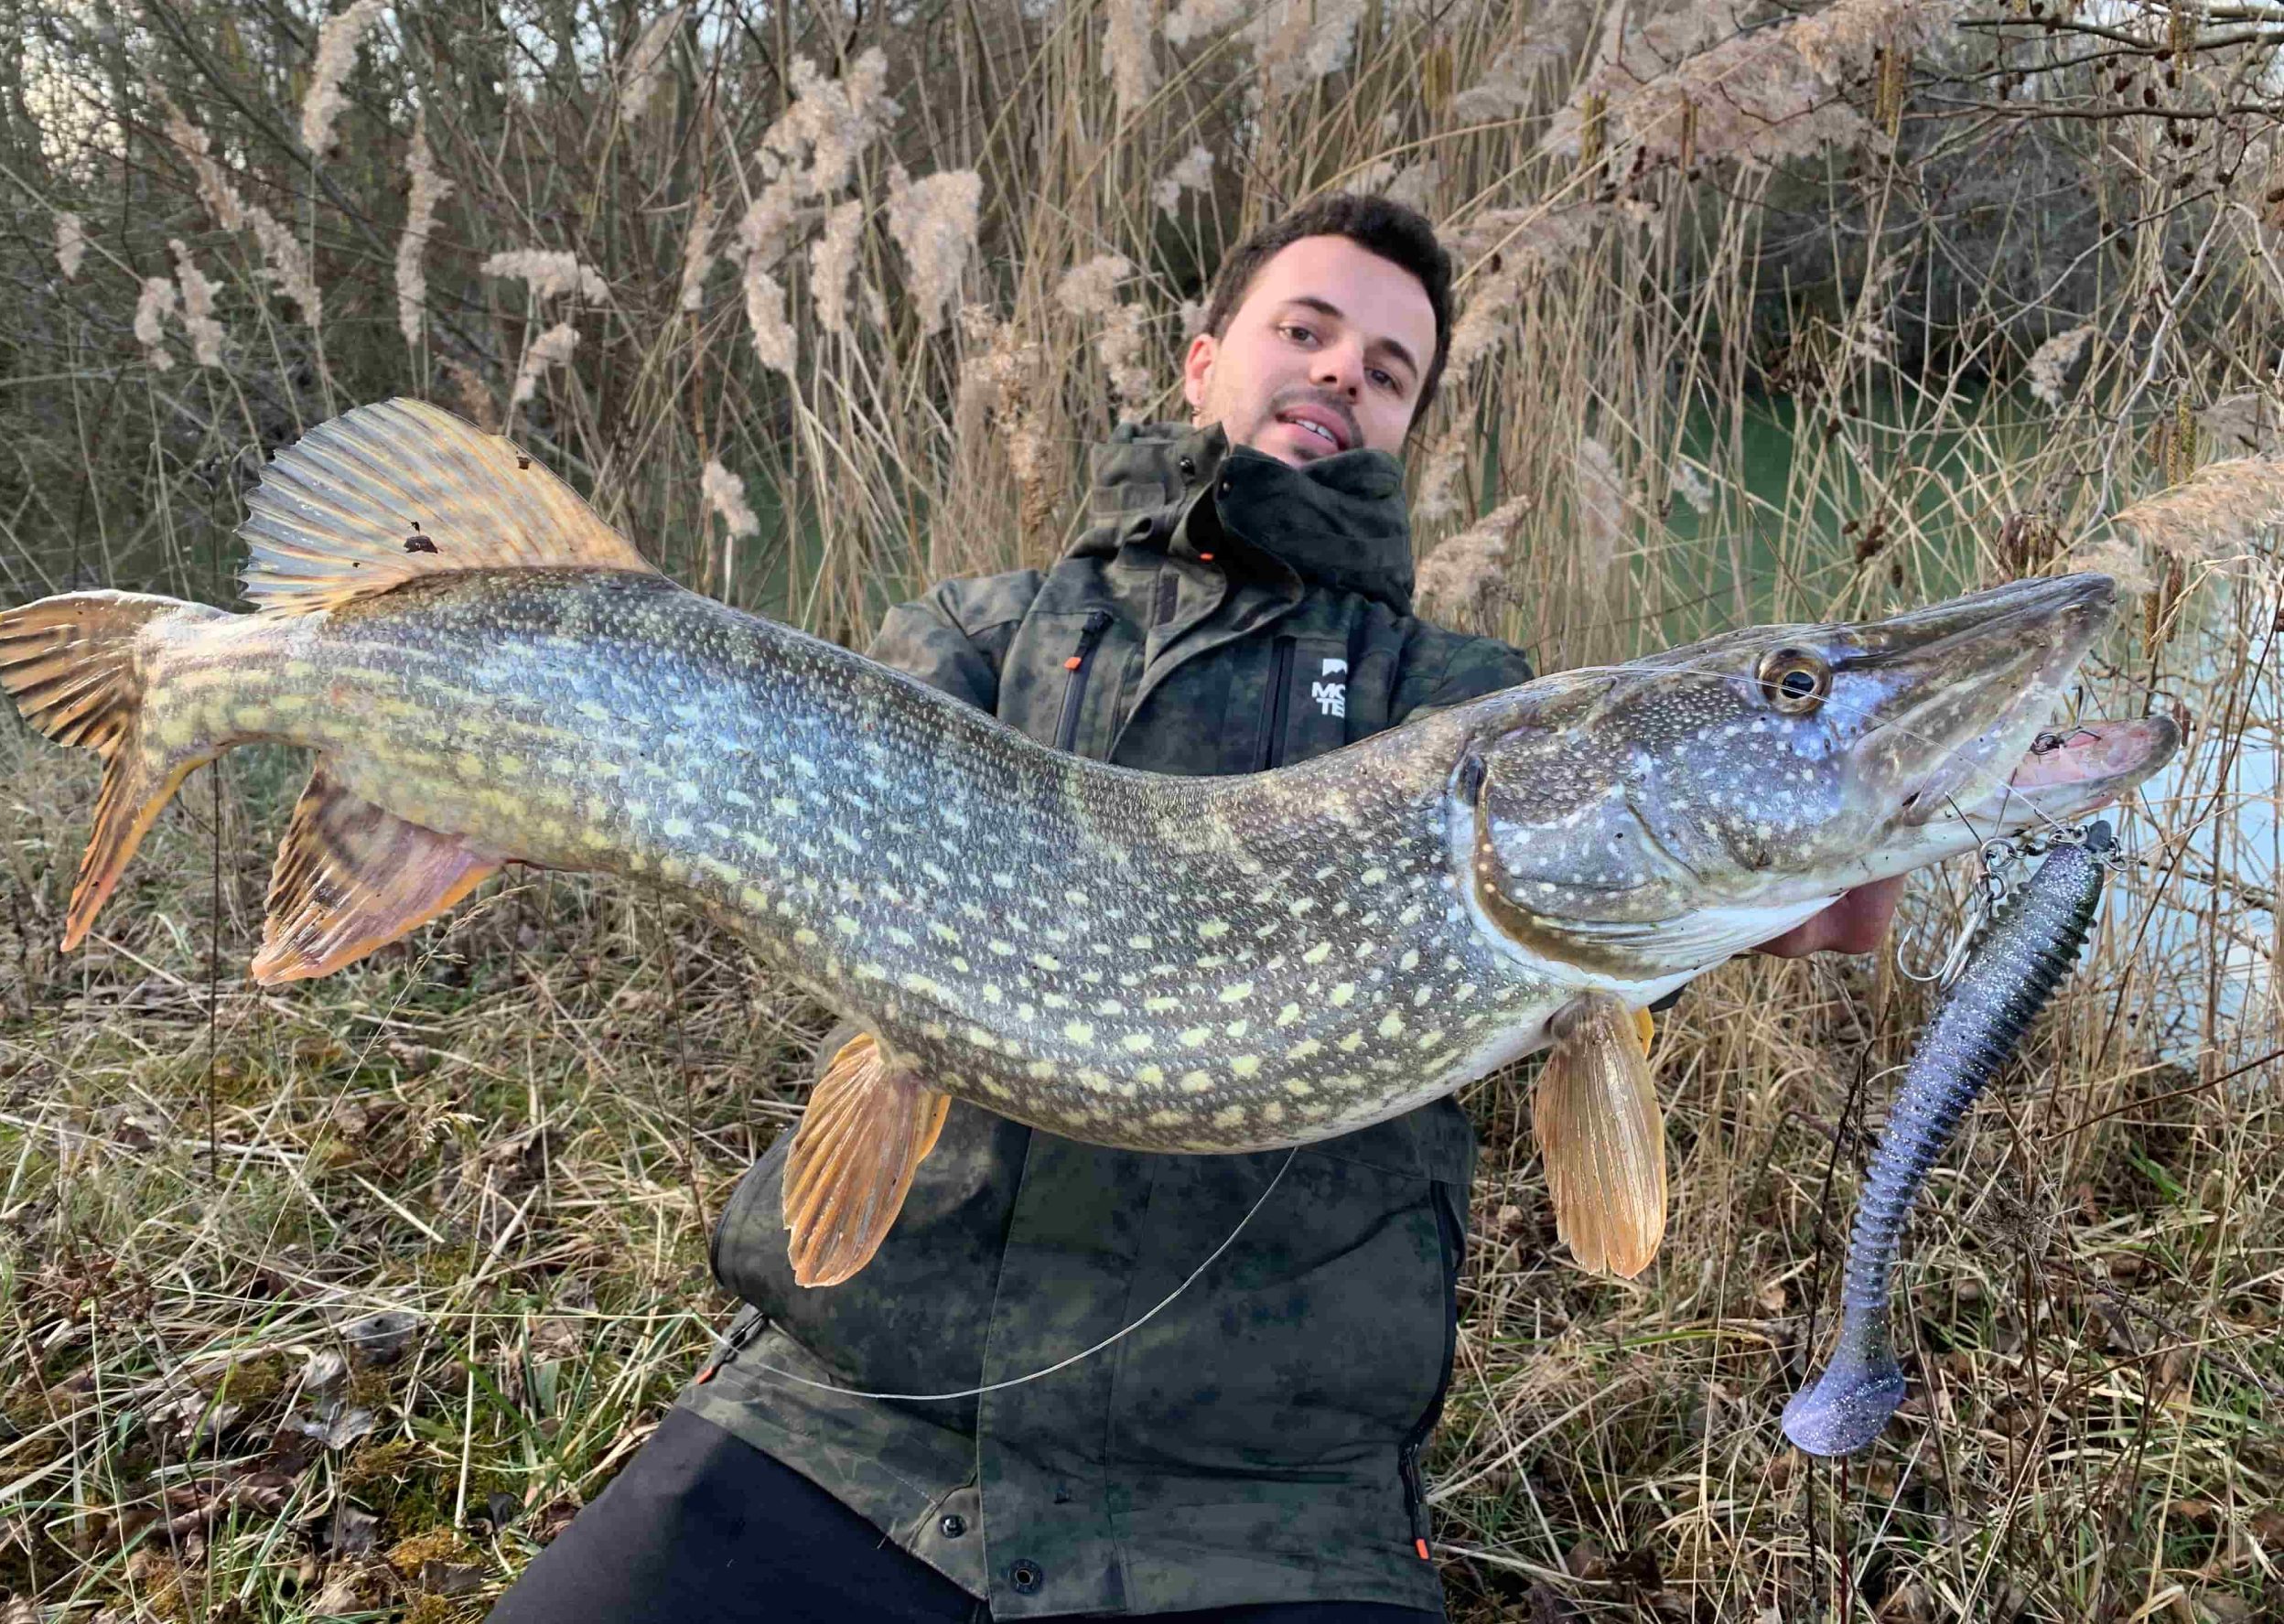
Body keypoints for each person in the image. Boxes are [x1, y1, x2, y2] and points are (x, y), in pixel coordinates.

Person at [488, 194, 1901, 1623]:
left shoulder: (1458, 704)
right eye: (1309, 329)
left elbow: (1577, 902)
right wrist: (570, 785)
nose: (1347, 369)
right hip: (854, 1420)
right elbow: (805, 839)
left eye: (1391, 368)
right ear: (1201, 359)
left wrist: (1743, 912)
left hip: (1268, 1512)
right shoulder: (982, 637)